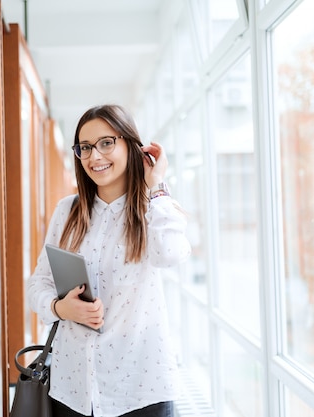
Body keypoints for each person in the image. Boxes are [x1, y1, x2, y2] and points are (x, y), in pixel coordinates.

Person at [27, 104, 191, 417]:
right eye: (85, 147)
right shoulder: (67, 211)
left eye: (106, 143)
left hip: (140, 390)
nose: (94, 156)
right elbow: (39, 283)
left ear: (131, 145)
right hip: (73, 390)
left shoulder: (153, 208)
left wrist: (156, 184)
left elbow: (170, 253)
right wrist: (61, 308)